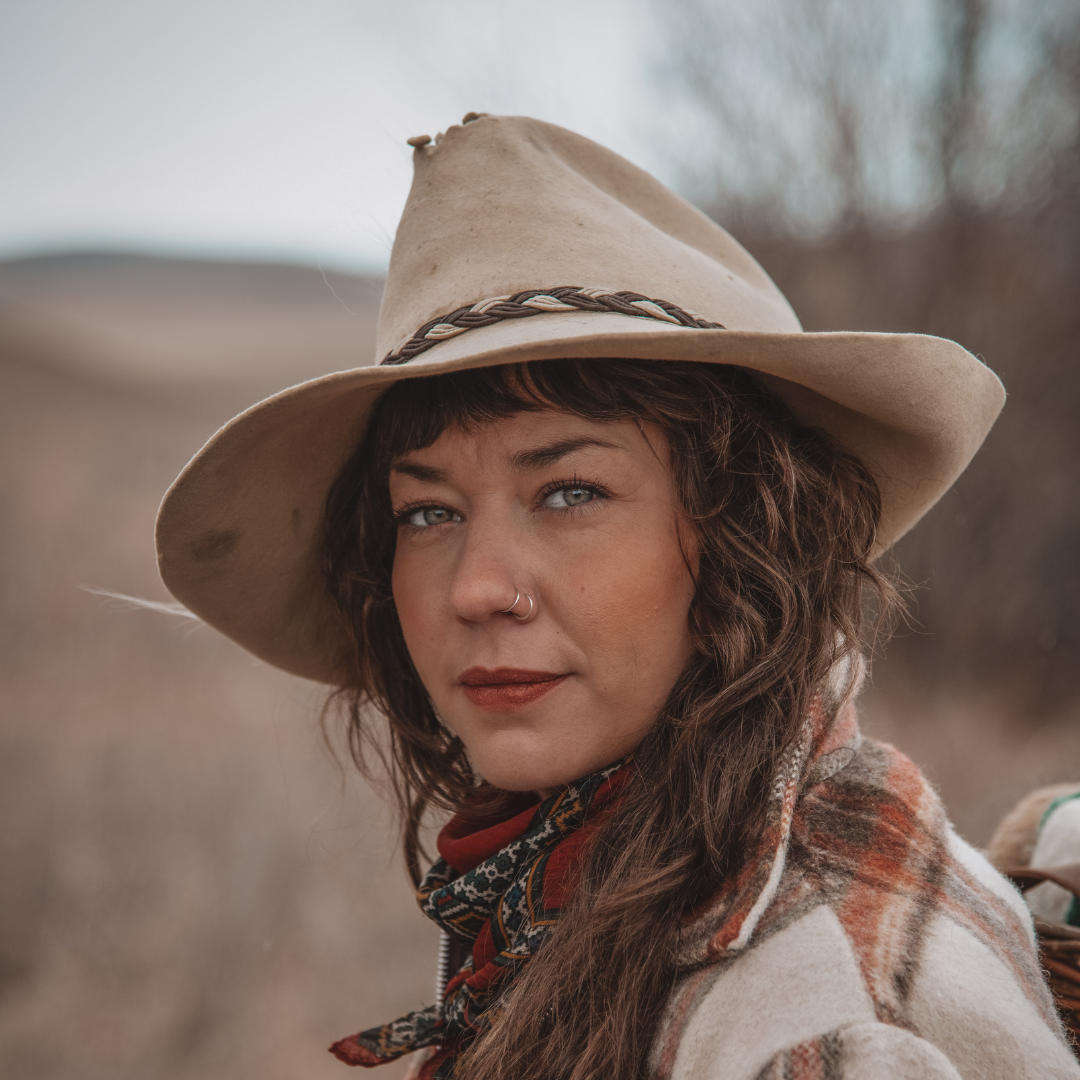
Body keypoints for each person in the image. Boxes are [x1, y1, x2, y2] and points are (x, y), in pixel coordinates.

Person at [155, 115, 1078, 1080]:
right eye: (427, 513)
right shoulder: (586, 876)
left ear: (743, 534)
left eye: (569, 493)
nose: (475, 590)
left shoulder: (817, 1033)